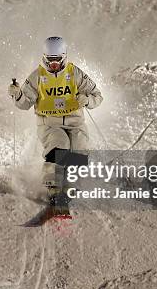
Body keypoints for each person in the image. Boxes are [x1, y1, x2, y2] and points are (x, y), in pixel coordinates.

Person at [8, 36, 103, 213]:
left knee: (79, 147)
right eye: (49, 61)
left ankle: (69, 188)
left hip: (75, 123)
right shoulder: (38, 76)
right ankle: (54, 189)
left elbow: (97, 96)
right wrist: (17, 94)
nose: (53, 65)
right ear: (44, 58)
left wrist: (87, 99)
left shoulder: (74, 73)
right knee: (60, 144)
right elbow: (25, 103)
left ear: (64, 57)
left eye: (57, 61)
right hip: (49, 123)